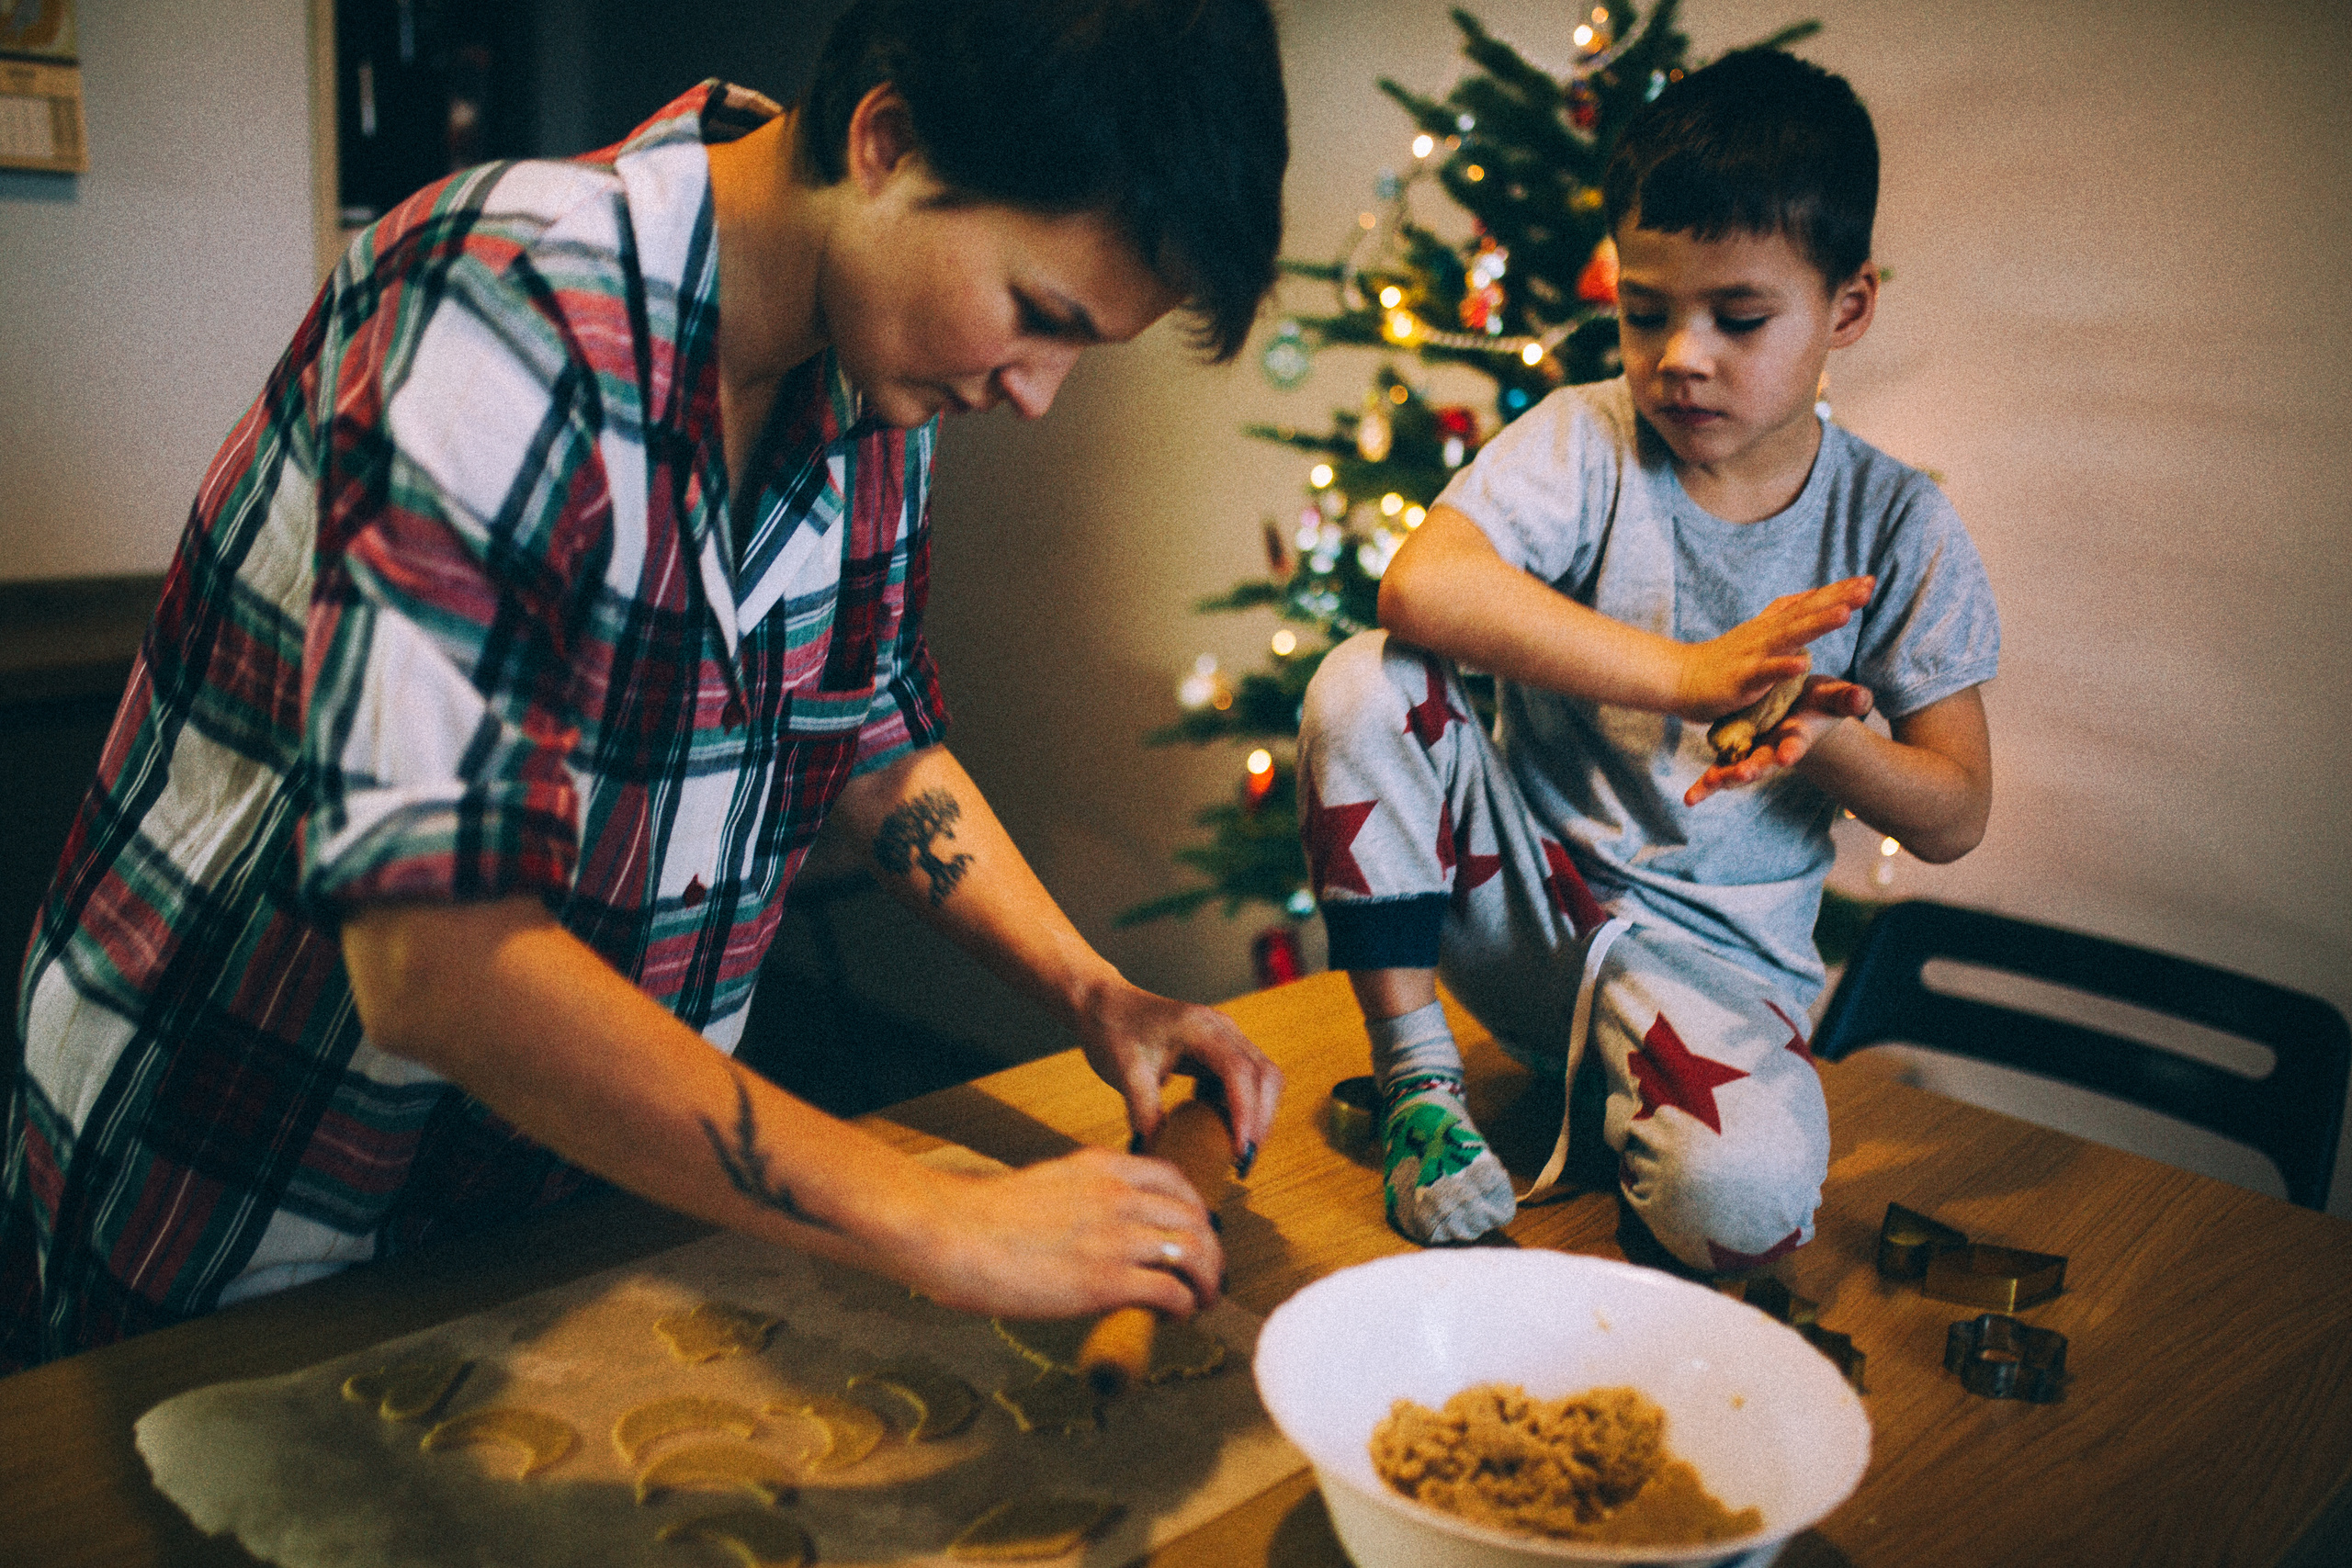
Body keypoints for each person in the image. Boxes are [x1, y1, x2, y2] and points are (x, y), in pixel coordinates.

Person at [2, 0, 1289, 1371]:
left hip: (556, 1189)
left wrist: (1097, 994)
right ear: (888, 142)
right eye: (1040, 316)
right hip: (242, 1184)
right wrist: (938, 1216)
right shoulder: (499, 299)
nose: (1038, 392)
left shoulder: (877, 385)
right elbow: (429, 958)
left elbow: (868, 741)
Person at [1297, 49, 1996, 1268]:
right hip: (1520, 915)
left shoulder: (1896, 523)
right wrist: (1689, 674)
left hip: (1716, 973)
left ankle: (1640, 1111)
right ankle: (1420, 1096)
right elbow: (1420, 585)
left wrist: (1824, 741)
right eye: (1644, 310)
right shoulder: (1586, 440)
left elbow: (1954, 811)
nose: (1681, 354)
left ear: (1849, 307)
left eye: (1738, 318)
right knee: (1368, 678)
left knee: (1745, 1205)